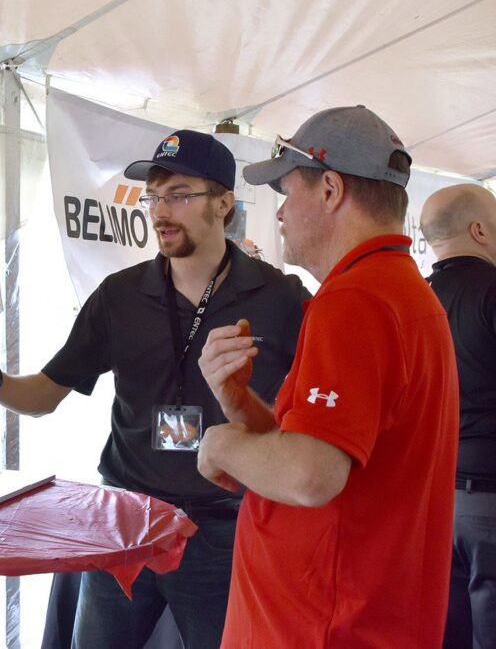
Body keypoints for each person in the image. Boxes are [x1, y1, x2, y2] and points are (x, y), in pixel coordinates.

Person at [0, 129, 309, 649]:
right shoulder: (121, 295)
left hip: (226, 529)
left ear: (224, 203)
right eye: (153, 196)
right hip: (128, 519)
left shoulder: (280, 297)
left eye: (179, 195)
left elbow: (310, 416)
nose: (160, 211)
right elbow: (47, 392)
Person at [197, 105, 459, 647]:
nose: (279, 213)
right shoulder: (403, 290)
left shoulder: (355, 299)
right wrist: (239, 403)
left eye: (287, 193)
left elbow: (311, 476)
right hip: (364, 616)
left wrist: (220, 444)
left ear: (331, 190)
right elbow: (332, 451)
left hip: (323, 625)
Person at [420, 183, 496, 649]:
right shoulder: (491, 291)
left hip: (429, 501)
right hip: (489, 495)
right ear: (479, 229)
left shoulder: (411, 299)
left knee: (444, 630)